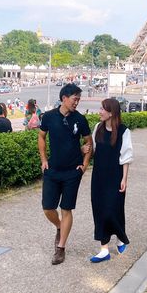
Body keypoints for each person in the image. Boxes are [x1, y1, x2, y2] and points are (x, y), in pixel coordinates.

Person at [38, 83, 93, 265]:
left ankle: (60, 248)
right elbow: (41, 136)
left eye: (79, 99)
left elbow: (88, 142)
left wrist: (85, 164)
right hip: (52, 170)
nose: (77, 102)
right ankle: (60, 226)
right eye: (74, 99)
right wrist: (43, 159)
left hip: (72, 171)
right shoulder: (49, 117)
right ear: (64, 98)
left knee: (66, 208)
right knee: (48, 207)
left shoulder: (80, 119)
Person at [89, 98, 133, 263]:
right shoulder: (98, 128)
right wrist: (84, 150)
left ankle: (120, 237)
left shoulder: (123, 131)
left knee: (114, 209)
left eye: (103, 109)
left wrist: (124, 178)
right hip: (99, 177)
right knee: (100, 210)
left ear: (111, 112)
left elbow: (126, 156)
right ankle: (104, 249)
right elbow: (93, 150)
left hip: (115, 177)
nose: (100, 112)